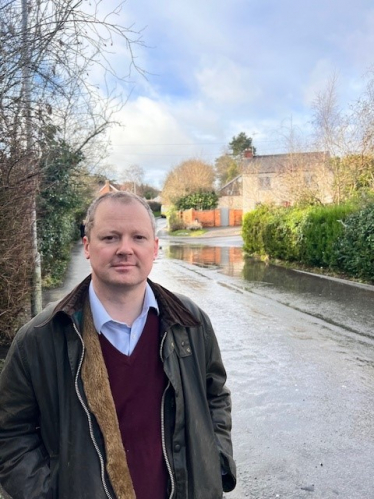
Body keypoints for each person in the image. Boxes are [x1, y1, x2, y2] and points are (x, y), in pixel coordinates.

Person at [0, 191, 236, 499]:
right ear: (87, 246)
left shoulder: (190, 322)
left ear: (155, 247)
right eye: (110, 237)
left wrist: (216, 462)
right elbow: (10, 433)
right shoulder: (40, 338)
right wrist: (49, 493)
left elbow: (215, 395)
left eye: (138, 237)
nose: (125, 249)